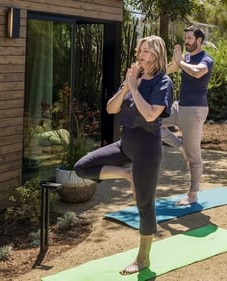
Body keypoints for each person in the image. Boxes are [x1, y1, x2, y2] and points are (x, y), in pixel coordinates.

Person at [74, 35, 173, 275]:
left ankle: (143, 259)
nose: (141, 54)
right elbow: (111, 108)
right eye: (140, 50)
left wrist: (135, 89)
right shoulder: (134, 76)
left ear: (157, 54)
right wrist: (128, 85)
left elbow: (150, 115)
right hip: (124, 144)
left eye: (147, 51)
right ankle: (125, 173)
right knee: (82, 167)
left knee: (145, 205)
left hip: (147, 151)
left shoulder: (163, 82)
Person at [161, 25, 214, 206]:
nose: (186, 41)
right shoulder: (187, 57)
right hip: (179, 106)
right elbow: (167, 70)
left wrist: (180, 61)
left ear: (199, 40)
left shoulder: (206, 59)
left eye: (189, 38)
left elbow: (197, 72)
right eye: (185, 38)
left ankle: (192, 195)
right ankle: (180, 146)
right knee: (153, 121)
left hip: (195, 110)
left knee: (194, 156)